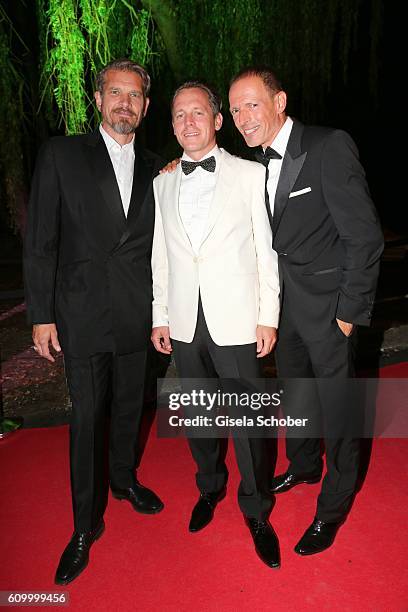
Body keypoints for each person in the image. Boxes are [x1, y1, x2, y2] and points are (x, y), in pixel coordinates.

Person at [228, 67, 384, 556]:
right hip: (285, 309)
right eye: (234, 110)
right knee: (296, 395)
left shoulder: (328, 145)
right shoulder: (253, 165)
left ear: (280, 101)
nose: (241, 117)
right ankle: (302, 464)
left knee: (338, 411)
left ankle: (333, 506)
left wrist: (348, 313)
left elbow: (365, 236)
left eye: (251, 104)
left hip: (330, 307)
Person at [24, 59, 164, 585]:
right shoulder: (61, 154)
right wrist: (41, 316)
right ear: (99, 99)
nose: (124, 102)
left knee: (131, 407)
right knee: (86, 421)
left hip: (138, 316)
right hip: (80, 315)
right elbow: (41, 241)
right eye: (115, 93)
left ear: (146, 107)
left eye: (134, 95)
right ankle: (85, 526)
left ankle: (124, 480)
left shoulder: (159, 167)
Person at [151, 81, 281, 568]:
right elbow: (160, 255)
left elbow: (267, 251)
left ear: (217, 120)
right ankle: (209, 488)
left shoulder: (250, 175)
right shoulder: (162, 182)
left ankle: (257, 509)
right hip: (184, 322)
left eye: (198, 113)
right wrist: (159, 314)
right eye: (179, 115)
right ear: (172, 124)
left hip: (237, 320)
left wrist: (268, 317)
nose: (188, 123)